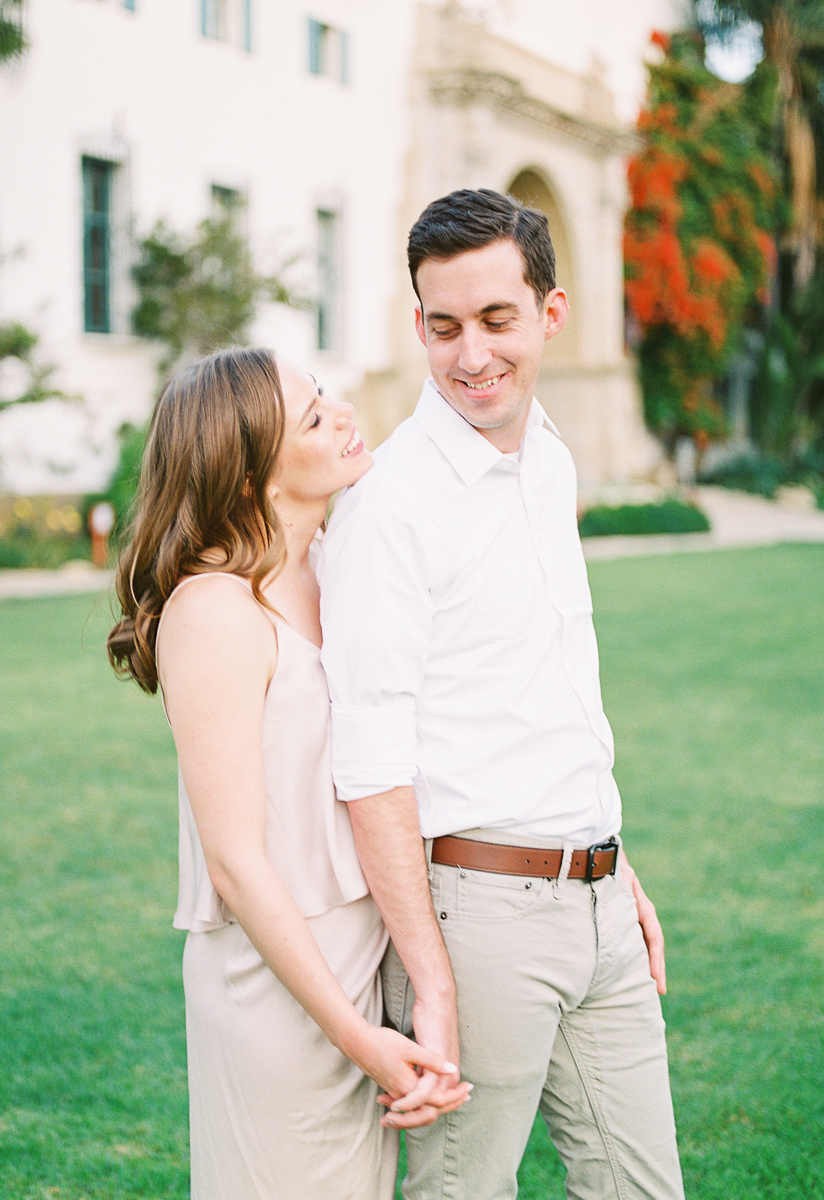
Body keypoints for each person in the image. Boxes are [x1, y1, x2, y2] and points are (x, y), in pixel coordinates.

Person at [320, 188, 684, 1199]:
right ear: (418, 327)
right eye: (443, 328)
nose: (469, 355)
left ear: (549, 315)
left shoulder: (551, 459)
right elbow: (369, 762)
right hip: (474, 918)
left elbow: (552, 694)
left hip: (601, 905)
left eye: (494, 321)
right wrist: (428, 978)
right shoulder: (387, 505)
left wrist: (616, 868)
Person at [108, 348, 469, 1199]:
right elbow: (237, 863)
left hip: (360, 957)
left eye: (325, 397)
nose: (343, 413)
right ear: (248, 481)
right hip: (278, 988)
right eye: (313, 417)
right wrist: (357, 1037)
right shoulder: (213, 613)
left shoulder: (334, 567)